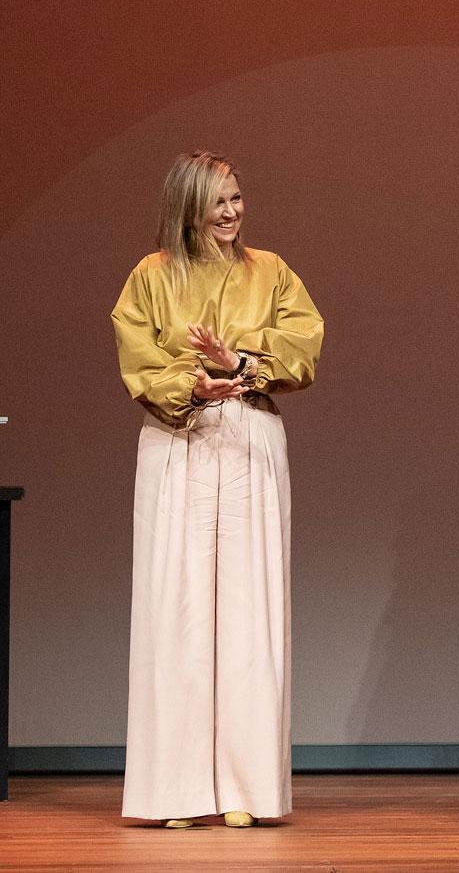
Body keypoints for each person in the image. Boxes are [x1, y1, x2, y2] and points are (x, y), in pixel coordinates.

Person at [112, 151, 324, 828]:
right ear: (188, 206)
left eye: (237, 197)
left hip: (251, 432)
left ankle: (244, 789)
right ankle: (176, 791)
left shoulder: (271, 271)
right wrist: (190, 383)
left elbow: (303, 348)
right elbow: (139, 359)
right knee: (175, 610)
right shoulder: (150, 276)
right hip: (179, 435)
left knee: (248, 611)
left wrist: (239, 363)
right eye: (218, 200)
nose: (232, 211)